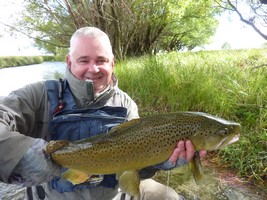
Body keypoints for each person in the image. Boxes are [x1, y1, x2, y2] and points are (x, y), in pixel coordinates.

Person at [0, 27, 206, 200]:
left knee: (168, 196)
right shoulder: (39, 95)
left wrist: (159, 161)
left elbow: (133, 168)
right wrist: (23, 154)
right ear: (69, 62)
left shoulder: (126, 104)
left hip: (112, 194)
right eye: (83, 60)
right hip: (53, 195)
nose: (94, 68)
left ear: (112, 63)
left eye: (101, 60)